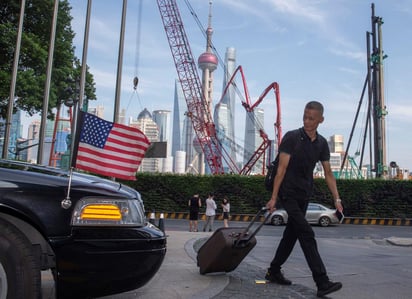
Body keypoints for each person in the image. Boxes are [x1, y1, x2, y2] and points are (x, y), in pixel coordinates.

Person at [265, 101, 344, 297]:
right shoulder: (292, 137)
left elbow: (328, 173)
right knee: (306, 234)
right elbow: (281, 170)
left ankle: (274, 271)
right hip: (287, 193)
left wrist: (337, 199)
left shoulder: (322, 143)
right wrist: (274, 198)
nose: (307, 121)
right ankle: (322, 281)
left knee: (291, 235)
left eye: (311, 118)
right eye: (305, 117)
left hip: (304, 195)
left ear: (320, 120)